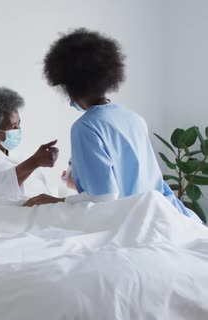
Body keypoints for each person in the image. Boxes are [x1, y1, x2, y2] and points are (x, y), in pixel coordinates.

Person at [23, 28, 196, 219]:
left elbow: (104, 199)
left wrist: (56, 200)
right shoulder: (134, 119)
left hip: (130, 220)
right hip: (166, 213)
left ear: (69, 86)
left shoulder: (85, 127)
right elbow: (137, 179)